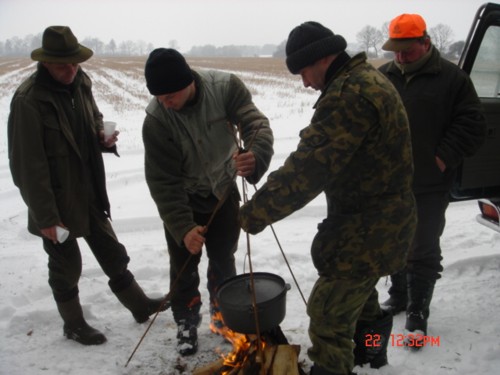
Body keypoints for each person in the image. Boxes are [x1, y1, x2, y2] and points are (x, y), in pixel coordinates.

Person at [239, 21, 417, 375]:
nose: (304, 82)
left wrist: (251, 214)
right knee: (363, 305)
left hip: (369, 230)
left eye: (303, 71)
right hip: (378, 224)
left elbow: (307, 170)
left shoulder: (349, 95)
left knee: (327, 317)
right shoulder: (364, 79)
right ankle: (372, 359)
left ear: (322, 58)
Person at [7, 26, 167, 346]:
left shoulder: (81, 83)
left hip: (89, 190)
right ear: (47, 63)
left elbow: (93, 119)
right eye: (64, 65)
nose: (72, 70)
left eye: (75, 63)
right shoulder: (29, 101)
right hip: (55, 202)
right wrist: (46, 218)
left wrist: (102, 137)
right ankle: (74, 324)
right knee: (66, 266)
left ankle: (139, 305)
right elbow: (27, 167)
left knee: (112, 251)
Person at [142, 48, 274, 356]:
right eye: (160, 97)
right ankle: (186, 321)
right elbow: (163, 181)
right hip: (185, 197)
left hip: (223, 190)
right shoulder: (157, 120)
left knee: (223, 257)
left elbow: (256, 125)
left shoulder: (225, 88)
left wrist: (255, 156)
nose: (166, 103)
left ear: (189, 81)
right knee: (183, 265)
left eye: (171, 95)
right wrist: (183, 227)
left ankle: (222, 314)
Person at [378, 14, 486, 347]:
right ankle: (397, 296)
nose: (400, 58)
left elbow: (472, 124)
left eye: (407, 51)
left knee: (422, 248)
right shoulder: (381, 77)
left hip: (429, 183)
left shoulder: (452, 79)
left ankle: (417, 313)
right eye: (395, 51)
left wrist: (441, 158)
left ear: (425, 43)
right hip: (388, 184)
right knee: (393, 243)